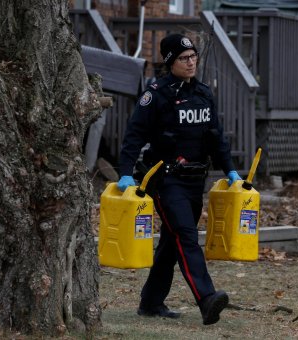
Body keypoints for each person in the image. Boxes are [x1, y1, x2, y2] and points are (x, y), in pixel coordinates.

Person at [116, 33, 242, 325]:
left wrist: (231, 171)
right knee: (186, 236)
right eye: (184, 58)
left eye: (194, 57)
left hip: (195, 181)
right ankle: (206, 298)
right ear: (170, 62)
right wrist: (124, 173)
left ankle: (150, 302)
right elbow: (134, 135)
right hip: (166, 181)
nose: (191, 62)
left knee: (172, 243)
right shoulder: (156, 95)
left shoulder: (203, 93)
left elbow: (216, 138)